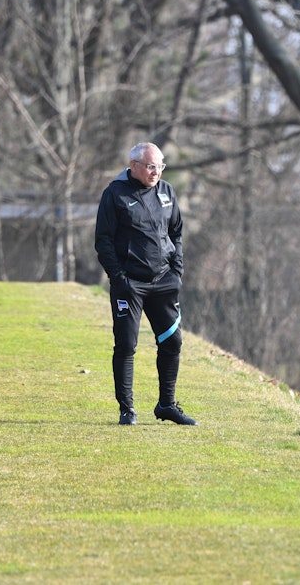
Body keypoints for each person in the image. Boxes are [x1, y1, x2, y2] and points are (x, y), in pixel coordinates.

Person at [95, 142, 196, 426]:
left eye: (160, 166)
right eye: (151, 166)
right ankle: (127, 410)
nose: (156, 172)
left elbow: (176, 231)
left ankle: (166, 405)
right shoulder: (114, 194)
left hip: (164, 282)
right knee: (126, 344)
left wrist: (177, 270)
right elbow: (103, 241)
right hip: (130, 285)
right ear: (134, 166)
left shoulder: (167, 192)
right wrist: (119, 278)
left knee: (172, 342)